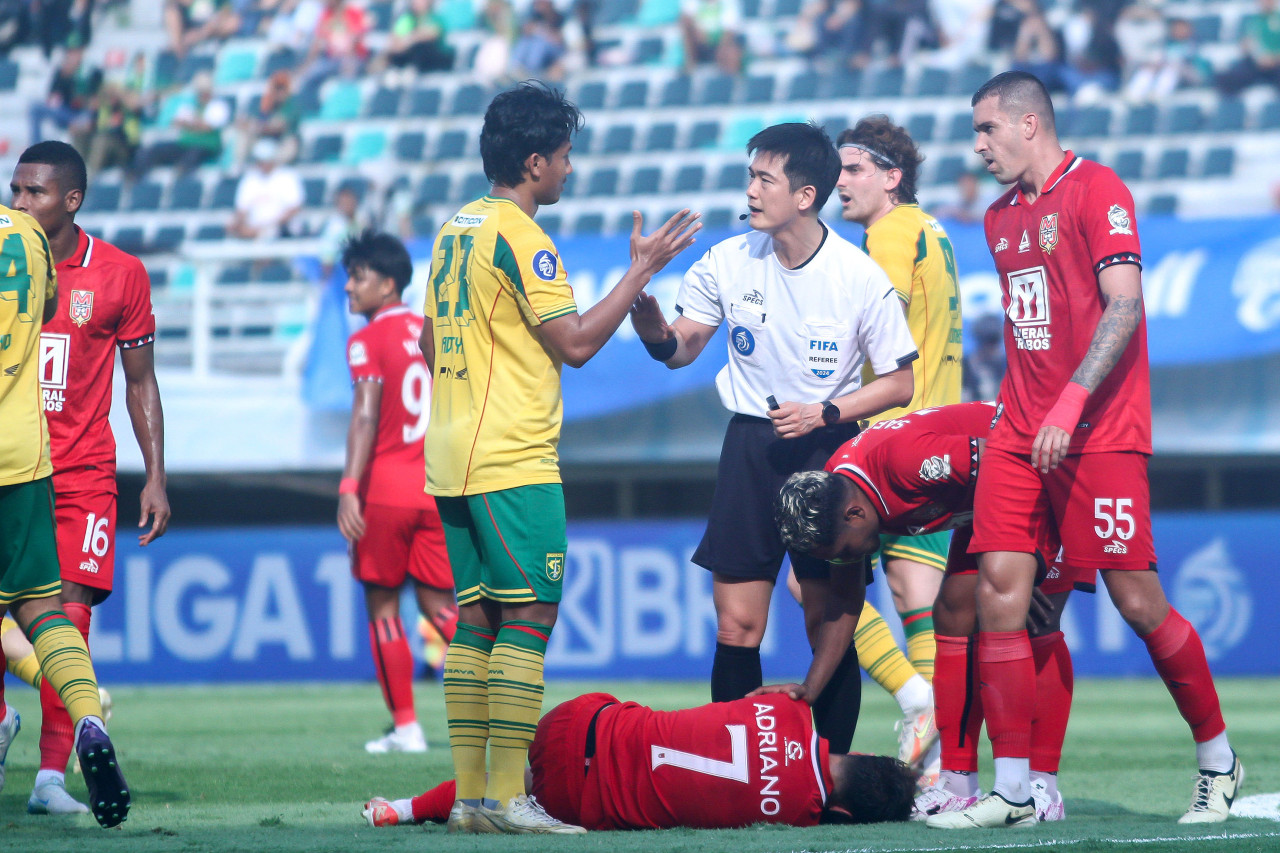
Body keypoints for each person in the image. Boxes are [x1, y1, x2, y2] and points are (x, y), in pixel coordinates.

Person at [928, 70, 1240, 829]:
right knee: (997, 591)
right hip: (1018, 432)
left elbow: (1125, 305)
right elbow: (1025, 333)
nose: (978, 147)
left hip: (1098, 433)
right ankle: (1012, 789)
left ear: (1029, 123)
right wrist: (1025, 410)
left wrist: (1069, 404)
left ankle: (1217, 758)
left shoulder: (1098, 189)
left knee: (1138, 603)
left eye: (986, 130)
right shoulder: (998, 220)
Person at [420, 82, 699, 835]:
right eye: (566, 156)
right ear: (535, 160)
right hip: (510, 454)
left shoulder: (455, 228)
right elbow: (574, 344)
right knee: (530, 616)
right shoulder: (520, 234)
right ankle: (510, 797)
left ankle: (475, 800)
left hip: (449, 451)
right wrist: (641, 272)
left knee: (475, 621)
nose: (571, 170)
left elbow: (427, 341)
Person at [629, 121, 917, 756]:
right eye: (751, 176)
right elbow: (680, 350)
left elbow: (900, 384)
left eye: (765, 178)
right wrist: (652, 330)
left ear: (806, 194)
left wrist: (827, 412)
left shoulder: (857, 275)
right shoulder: (729, 261)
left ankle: (831, 776)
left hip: (828, 453)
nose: (752, 190)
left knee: (827, 623)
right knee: (737, 625)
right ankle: (735, 771)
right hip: (750, 451)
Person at [773, 401, 1076, 824]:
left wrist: (1026, 559)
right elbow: (844, 604)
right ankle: (957, 781)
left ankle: (1042, 788)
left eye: (842, 551)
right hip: (987, 496)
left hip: (1050, 470)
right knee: (951, 612)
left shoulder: (907, 463)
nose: (843, 560)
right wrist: (810, 688)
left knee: (1036, 622)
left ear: (855, 515)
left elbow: (1014, 459)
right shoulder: (841, 503)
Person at [0, 140, 166, 818]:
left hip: (81, 473)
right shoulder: (12, 255)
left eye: (34, 192)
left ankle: (49, 776)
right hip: (20, 464)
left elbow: (141, 380)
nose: (19, 203)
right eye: (14, 189)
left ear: (71, 199)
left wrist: (155, 474)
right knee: (31, 611)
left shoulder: (121, 274)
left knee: (66, 609)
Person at [829, 114, 963, 771]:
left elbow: (871, 328)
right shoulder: (932, 229)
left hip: (894, 438)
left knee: (815, 579)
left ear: (892, 176)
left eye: (853, 169)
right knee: (918, 606)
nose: (839, 181)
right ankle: (936, 771)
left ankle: (917, 702)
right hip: (938, 431)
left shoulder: (886, 235)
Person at [361, 691, 917, 830]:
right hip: (578, 801)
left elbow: (748, 708)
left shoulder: (791, 710)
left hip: (577, 721)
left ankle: (408, 806)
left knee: (518, 769)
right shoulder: (799, 813)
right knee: (523, 789)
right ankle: (404, 810)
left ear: (861, 752)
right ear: (842, 814)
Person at [336, 229, 457, 754]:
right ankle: (512, 692)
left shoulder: (366, 340)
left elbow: (365, 416)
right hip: (436, 487)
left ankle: (407, 727)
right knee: (440, 605)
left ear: (388, 284)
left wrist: (347, 489)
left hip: (385, 489)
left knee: (383, 608)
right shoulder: (437, 332)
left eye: (357, 277)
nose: (347, 288)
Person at [228, 138, 305, 240]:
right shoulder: (250, 178)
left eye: (264, 160)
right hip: (253, 228)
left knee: (267, 235)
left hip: (281, 227)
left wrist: (265, 227)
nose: (261, 164)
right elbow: (242, 209)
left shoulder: (287, 176)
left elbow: (294, 208)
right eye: (259, 161)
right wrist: (240, 225)